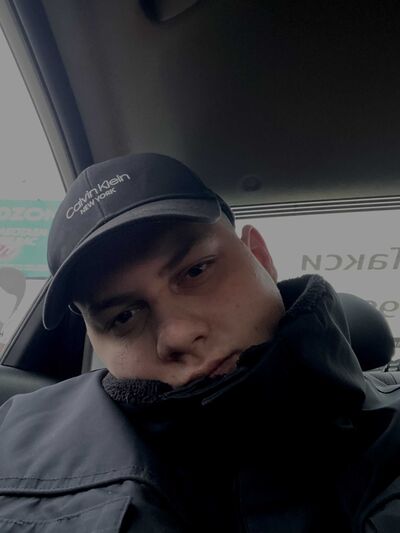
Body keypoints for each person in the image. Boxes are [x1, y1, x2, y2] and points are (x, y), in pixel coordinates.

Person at [0, 153, 399, 532]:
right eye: (123, 317)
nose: (178, 335)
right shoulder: (12, 453)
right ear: (95, 340)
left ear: (260, 256)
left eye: (196, 272)